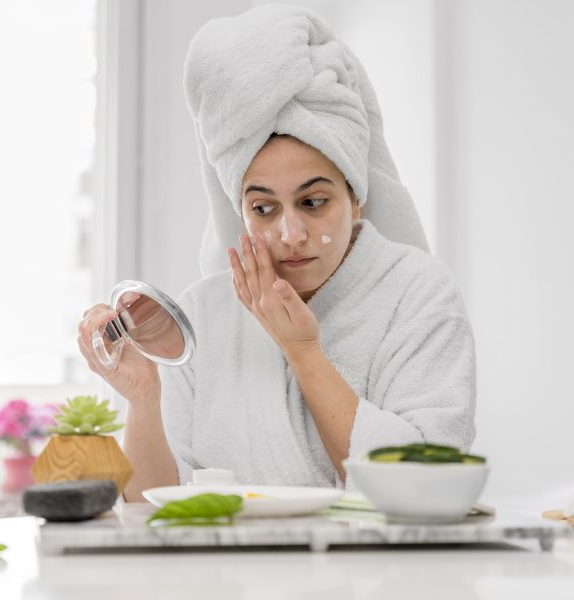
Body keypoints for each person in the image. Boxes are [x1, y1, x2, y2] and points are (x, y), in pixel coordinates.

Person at [77, 5, 476, 502]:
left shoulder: (417, 295)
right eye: (263, 208)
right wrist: (145, 395)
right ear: (239, 209)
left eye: (313, 202)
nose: (290, 233)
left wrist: (303, 352)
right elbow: (150, 506)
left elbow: (428, 487)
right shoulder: (204, 313)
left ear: (356, 197)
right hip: (230, 576)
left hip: (378, 577)